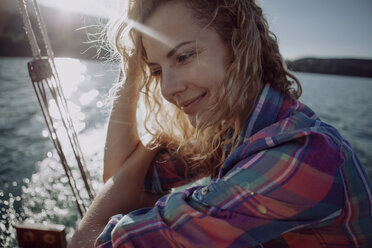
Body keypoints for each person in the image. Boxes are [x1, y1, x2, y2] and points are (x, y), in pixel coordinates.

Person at [69, 0, 372, 247]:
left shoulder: (300, 155)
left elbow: (88, 242)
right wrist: (130, 76)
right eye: (157, 70)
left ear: (239, 44)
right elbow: (121, 181)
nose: (167, 90)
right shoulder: (231, 129)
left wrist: (146, 149)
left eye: (185, 56)